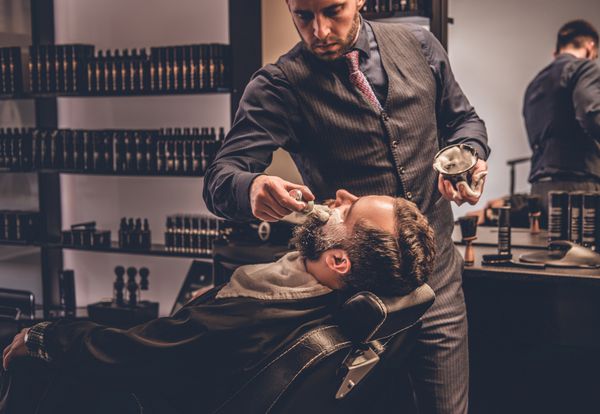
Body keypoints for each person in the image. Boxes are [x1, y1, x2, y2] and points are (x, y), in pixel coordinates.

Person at [202, 1, 490, 412]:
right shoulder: (280, 85)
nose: (318, 30)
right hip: (355, 303)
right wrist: (251, 188)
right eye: (303, 15)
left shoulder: (421, 46)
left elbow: (465, 121)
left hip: (437, 283)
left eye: (332, 10)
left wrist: (469, 153)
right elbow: (219, 178)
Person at [0, 191, 435, 414]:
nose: (338, 197)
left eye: (350, 208)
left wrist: (46, 337)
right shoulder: (335, 302)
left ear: (339, 260)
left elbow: (128, 353)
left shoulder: (244, 317)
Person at [524, 19, 600, 213]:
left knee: (545, 243)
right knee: (583, 245)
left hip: (539, 188)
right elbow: (591, 113)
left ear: (555, 53)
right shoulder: (586, 67)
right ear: (591, 48)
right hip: (578, 186)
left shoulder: (534, 84)